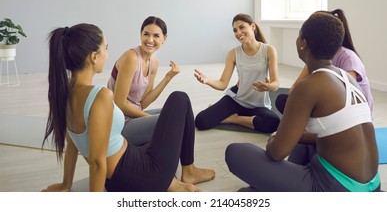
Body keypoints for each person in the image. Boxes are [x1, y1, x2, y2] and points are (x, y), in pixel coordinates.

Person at [42, 23, 215, 192]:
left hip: (117, 179)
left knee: (155, 138)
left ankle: (172, 183)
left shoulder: (65, 92)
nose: (108, 55)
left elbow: (72, 146)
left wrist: (66, 184)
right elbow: (96, 162)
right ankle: (188, 172)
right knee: (180, 99)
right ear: (94, 57)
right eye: (106, 48)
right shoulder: (100, 96)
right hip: (142, 177)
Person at [225, 11, 381, 192]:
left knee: (236, 153)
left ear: (302, 43)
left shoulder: (309, 86)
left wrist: (275, 137)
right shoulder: (348, 78)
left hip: (337, 189)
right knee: (299, 143)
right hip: (372, 185)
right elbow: (333, 134)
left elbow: (276, 152)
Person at [275, 9, 374, 120]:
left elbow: (344, 98)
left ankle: (309, 131)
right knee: (285, 101)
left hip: (350, 116)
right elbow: (294, 89)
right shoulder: (316, 57)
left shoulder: (349, 58)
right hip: (331, 109)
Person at [194, 13, 280, 133]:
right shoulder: (233, 53)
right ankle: (241, 117)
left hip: (258, 104)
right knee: (201, 121)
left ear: (253, 26)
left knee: (273, 122)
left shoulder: (269, 50)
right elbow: (222, 84)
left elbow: (276, 83)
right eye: (235, 30)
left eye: (242, 27)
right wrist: (207, 81)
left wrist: (269, 86)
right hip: (237, 99)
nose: (238, 32)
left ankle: (233, 118)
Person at [107, 16, 180, 145]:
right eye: (146, 34)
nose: (150, 40)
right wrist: (149, 117)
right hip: (119, 123)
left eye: (156, 36)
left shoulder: (154, 62)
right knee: (170, 121)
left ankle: (187, 164)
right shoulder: (131, 58)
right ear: (140, 35)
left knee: (177, 112)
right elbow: (119, 103)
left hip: (134, 116)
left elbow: (144, 103)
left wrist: (168, 78)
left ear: (164, 38)